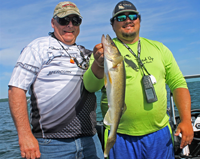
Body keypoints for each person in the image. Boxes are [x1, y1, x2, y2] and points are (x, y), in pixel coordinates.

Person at [83, 0, 194, 158]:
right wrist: (99, 64)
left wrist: (186, 120)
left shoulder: (159, 49)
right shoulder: (102, 53)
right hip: (120, 135)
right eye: (120, 18)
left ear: (139, 20)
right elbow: (90, 86)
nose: (128, 20)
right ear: (112, 24)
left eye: (132, 16)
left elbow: (178, 84)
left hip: (159, 134)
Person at [8, 1, 104, 159]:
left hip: (90, 139)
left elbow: (97, 82)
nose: (70, 25)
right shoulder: (38, 47)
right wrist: (25, 135)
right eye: (64, 20)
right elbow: (16, 89)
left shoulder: (87, 53)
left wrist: (102, 61)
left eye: (76, 21)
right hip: (51, 145)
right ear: (53, 22)